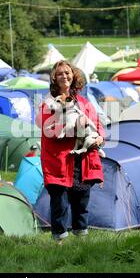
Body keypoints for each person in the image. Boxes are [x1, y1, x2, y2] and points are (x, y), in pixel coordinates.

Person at [35, 60, 104, 242]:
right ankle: (60, 240)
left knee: (81, 203)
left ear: (73, 75)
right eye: (59, 73)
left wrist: (99, 138)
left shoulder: (84, 103)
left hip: (82, 160)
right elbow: (50, 131)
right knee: (60, 203)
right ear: (54, 78)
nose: (64, 76)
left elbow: (97, 126)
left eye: (67, 72)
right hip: (58, 161)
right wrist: (76, 130)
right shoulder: (48, 104)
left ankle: (81, 239)